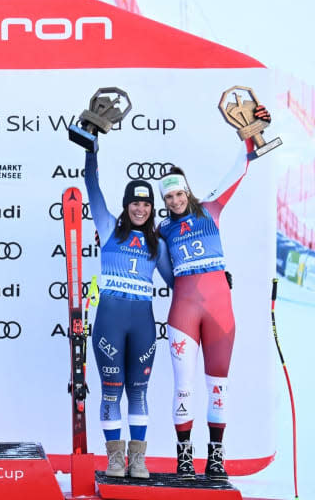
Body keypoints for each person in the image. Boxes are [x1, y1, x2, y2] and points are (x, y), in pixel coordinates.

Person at [158, 105, 271, 481]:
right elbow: (132, 243)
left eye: (178, 194)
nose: (174, 201)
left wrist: (251, 131)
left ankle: (217, 458)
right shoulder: (162, 230)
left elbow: (239, 168)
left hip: (220, 309)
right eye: (168, 198)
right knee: (184, 389)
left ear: (186, 191)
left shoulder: (210, 209)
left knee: (218, 386)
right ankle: (185, 459)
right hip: (183, 314)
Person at [84, 147, 174, 478]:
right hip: (110, 318)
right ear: (126, 205)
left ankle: (138, 458)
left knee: (138, 392)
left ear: (152, 208)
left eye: (146, 203)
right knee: (111, 390)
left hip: (142, 323)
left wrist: (213, 282)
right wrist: (91, 150)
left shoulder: (158, 244)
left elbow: (175, 282)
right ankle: (115, 458)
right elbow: (90, 185)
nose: (140, 208)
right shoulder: (107, 226)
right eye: (135, 202)